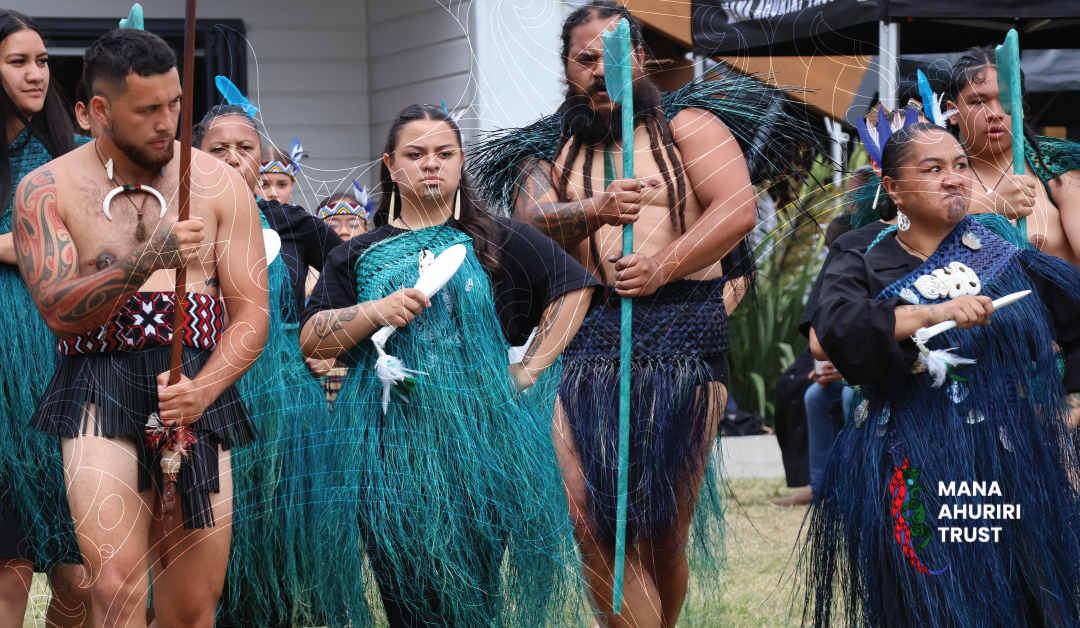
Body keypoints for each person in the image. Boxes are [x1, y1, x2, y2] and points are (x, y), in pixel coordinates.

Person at [469, 2, 817, 624]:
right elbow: (531, 218)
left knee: (661, 532)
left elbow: (734, 210)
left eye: (615, 56)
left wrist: (664, 266)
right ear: (567, 67)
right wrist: (598, 210)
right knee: (589, 519)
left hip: (684, 333)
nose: (602, 70)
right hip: (581, 333)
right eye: (586, 59)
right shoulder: (544, 146)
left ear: (642, 61)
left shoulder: (693, 126)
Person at [300, 103, 598, 627]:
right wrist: (375, 310)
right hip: (387, 454)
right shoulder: (358, 255)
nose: (430, 164)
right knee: (408, 602)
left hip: (481, 450)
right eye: (415, 155)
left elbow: (575, 289)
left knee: (472, 595)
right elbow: (312, 343)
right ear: (390, 165)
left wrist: (525, 371)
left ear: (461, 163)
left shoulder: (498, 239)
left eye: (444, 153)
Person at [16, 28, 269, 627]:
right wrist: (145, 261)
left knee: (190, 609)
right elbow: (57, 308)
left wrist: (203, 392)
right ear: (99, 110)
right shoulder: (45, 188)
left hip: (196, 390)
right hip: (96, 386)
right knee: (116, 587)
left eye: (175, 104)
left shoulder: (218, 183)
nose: (168, 122)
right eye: (148, 110)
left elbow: (252, 313)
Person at [799, 122, 1080, 627]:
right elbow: (839, 330)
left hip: (1005, 453)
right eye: (933, 169)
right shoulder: (862, 251)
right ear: (892, 187)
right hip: (911, 452)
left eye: (959, 166)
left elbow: (1074, 318)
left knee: (1017, 590)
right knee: (931, 592)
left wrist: (1073, 399)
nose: (953, 178)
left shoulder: (999, 249)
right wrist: (933, 313)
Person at [0, 11, 97, 628]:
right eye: (18, 62)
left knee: (81, 576)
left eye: (42, 61)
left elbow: (93, 246)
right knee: (9, 569)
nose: (37, 74)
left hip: (59, 365)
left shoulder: (64, 154)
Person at [773, 167, 880, 508]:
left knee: (852, 399)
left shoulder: (889, 243)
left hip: (880, 361)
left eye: (854, 196)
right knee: (810, 395)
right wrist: (829, 365)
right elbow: (821, 330)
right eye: (848, 196)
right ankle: (820, 488)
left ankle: (861, 487)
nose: (849, 203)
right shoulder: (847, 243)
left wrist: (845, 366)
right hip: (844, 355)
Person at [945, 45, 1080, 263]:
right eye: (978, 102)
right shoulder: (935, 180)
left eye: (1007, 100)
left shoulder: (1057, 174)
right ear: (952, 112)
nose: (995, 113)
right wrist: (989, 204)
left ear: (1022, 108)